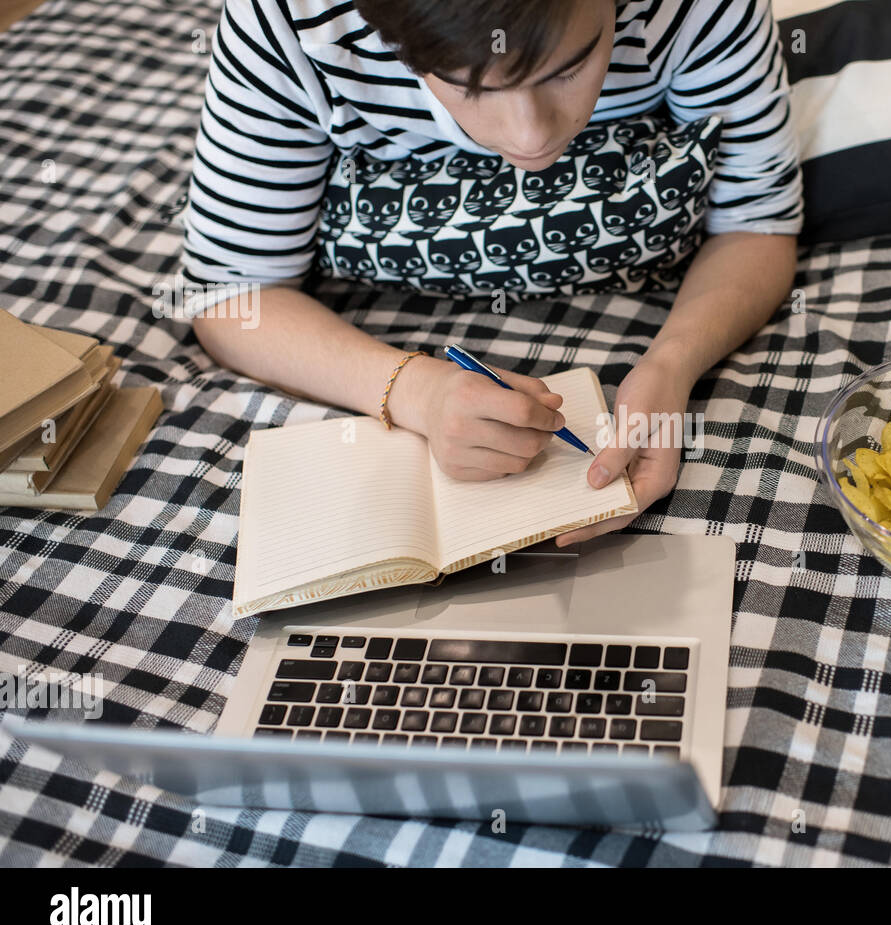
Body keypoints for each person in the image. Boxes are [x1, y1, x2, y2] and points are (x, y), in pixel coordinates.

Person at [182, 0, 803, 545]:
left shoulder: (697, 8)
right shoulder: (290, 22)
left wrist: (673, 364)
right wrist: (410, 390)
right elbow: (229, 293)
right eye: (467, 84)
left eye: (568, 66)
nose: (530, 137)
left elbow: (758, 226)